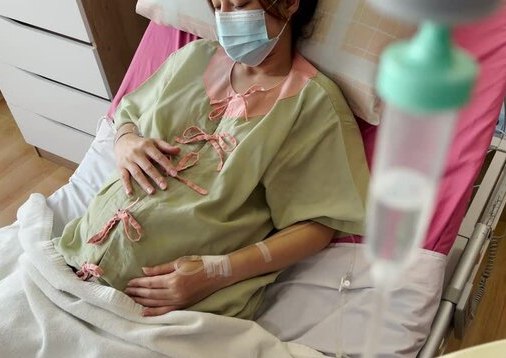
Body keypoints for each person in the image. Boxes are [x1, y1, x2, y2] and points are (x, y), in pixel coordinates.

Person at [53, 0, 369, 319]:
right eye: (218, 6)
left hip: (168, 310)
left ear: (288, 4)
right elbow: (128, 113)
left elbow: (318, 224)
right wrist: (125, 140)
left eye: (239, 4)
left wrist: (216, 272)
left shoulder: (312, 104)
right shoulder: (192, 59)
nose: (225, 19)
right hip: (74, 256)